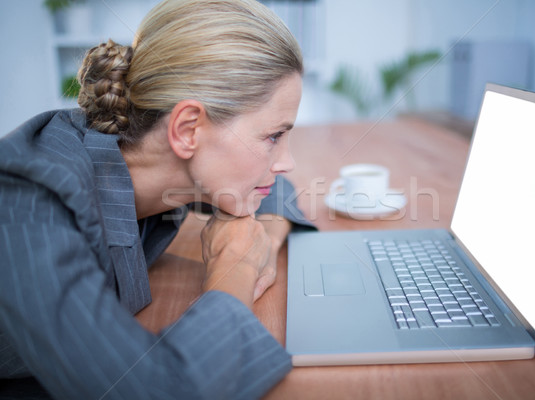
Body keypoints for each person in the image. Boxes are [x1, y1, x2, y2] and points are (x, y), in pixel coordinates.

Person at [0, 0, 315, 398]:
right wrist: (236, 267)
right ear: (187, 130)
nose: (286, 162)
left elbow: (274, 191)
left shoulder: (153, 159)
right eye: (273, 136)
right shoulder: (30, 208)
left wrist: (260, 241)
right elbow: (154, 390)